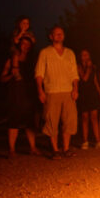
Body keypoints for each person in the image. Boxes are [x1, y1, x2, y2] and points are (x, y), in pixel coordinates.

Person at [35, 26, 79, 159]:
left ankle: (66, 148)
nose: (59, 36)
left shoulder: (70, 53)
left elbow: (74, 74)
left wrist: (75, 88)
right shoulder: (45, 53)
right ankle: (55, 150)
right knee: (51, 121)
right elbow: (39, 73)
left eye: (61, 34)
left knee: (69, 120)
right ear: (51, 36)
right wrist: (40, 90)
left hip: (68, 91)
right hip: (52, 91)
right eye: (56, 34)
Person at [0, 36, 41, 157]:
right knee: (13, 121)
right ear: (19, 45)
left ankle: (33, 148)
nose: (26, 46)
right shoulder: (11, 61)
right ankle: (12, 150)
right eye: (23, 43)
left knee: (30, 122)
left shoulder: (32, 61)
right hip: (15, 94)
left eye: (28, 44)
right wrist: (11, 76)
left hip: (28, 94)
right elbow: (2, 78)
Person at [77, 49, 100, 149]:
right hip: (84, 94)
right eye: (83, 55)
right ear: (80, 57)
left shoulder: (93, 67)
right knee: (85, 118)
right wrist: (88, 68)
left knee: (94, 117)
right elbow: (84, 78)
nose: (85, 57)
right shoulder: (78, 67)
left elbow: (95, 80)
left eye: (87, 55)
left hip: (92, 93)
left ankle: (98, 142)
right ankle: (85, 141)